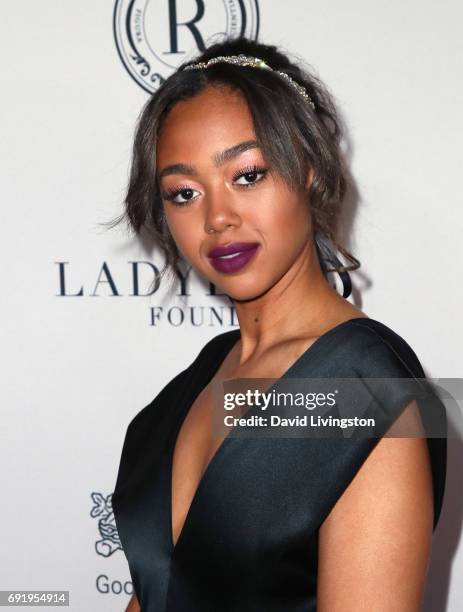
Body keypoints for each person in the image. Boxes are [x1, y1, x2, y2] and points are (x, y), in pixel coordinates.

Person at [110, 35, 447, 612]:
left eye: (247, 175)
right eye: (184, 192)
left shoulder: (364, 388)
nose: (217, 218)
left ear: (310, 171)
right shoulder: (187, 390)